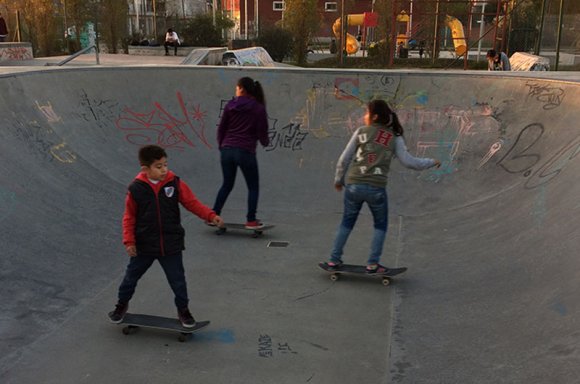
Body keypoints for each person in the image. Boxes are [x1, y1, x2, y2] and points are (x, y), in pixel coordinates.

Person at [108, 145, 223, 327]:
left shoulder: (174, 183)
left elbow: (192, 203)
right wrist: (129, 241)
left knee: (178, 280)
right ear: (145, 169)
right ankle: (121, 305)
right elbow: (129, 217)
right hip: (144, 244)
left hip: (171, 244)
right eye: (158, 166)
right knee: (130, 278)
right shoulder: (136, 189)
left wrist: (210, 215)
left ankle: (183, 311)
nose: (164, 170)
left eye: (165, 165)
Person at [323, 100, 441, 274]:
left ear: (375, 116)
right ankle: (373, 264)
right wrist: (432, 161)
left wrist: (339, 180)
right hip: (376, 189)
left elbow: (344, 159)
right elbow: (410, 163)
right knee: (380, 225)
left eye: (366, 112)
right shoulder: (394, 137)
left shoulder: (360, 132)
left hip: (354, 186)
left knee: (346, 223)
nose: (364, 116)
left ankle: (333, 260)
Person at [212, 77, 269, 229]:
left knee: (227, 184)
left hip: (227, 150)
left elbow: (221, 129)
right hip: (245, 151)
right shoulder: (258, 108)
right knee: (253, 187)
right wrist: (265, 142)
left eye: (236, 88)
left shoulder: (230, 105)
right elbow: (262, 132)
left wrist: (222, 146)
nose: (235, 90)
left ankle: (213, 215)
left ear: (242, 89)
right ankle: (251, 220)